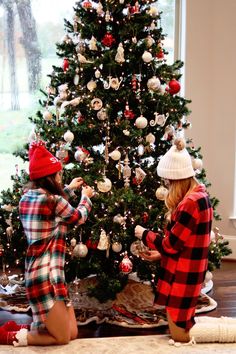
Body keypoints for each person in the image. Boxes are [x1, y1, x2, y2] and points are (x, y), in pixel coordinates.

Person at [134, 138, 236, 345]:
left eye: (168, 181)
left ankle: (228, 333)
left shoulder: (190, 203)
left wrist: (144, 234)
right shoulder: (199, 196)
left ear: (176, 179)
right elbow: (185, 243)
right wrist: (160, 254)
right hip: (187, 268)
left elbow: (172, 244)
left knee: (180, 335)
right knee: (181, 321)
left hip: (183, 273)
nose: (167, 186)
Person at [0, 140, 94, 347]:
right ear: (50, 178)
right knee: (61, 338)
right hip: (47, 276)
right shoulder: (54, 201)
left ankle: (24, 329)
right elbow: (77, 216)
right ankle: (10, 337)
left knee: (71, 333)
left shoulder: (27, 198)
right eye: (59, 175)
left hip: (43, 273)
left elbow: (50, 209)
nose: (61, 178)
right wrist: (85, 197)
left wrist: (69, 189)